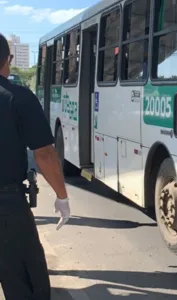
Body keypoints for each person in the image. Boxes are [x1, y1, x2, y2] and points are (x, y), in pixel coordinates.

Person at [0, 33, 71, 299]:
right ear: (7, 60)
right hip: (6, 208)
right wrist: (61, 196)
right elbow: (44, 153)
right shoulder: (17, 97)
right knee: (27, 284)